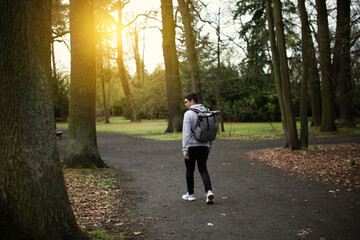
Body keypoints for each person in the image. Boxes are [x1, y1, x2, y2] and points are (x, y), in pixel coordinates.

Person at [182, 92, 214, 204]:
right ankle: (209, 191)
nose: (185, 104)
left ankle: (190, 194)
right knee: (203, 169)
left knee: (190, 170)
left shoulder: (188, 114)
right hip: (204, 146)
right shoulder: (207, 111)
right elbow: (211, 129)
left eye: (186, 102)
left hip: (191, 146)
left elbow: (186, 134)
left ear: (192, 101)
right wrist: (209, 145)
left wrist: (184, 150)